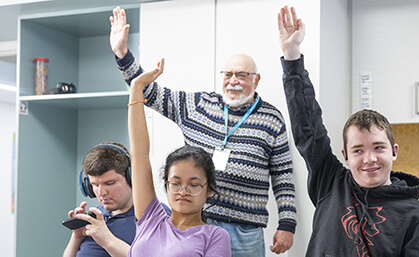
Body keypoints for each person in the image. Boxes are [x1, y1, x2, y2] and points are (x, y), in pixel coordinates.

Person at [108, 7, 296, 255]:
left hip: (245, 229)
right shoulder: (198, 105)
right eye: (228, 74)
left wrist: (287, 223)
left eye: (241, 75)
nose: (233, 80)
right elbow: (149, 93)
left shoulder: (271, 118)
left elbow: (283, 176)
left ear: (256, 79)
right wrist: (122, 53)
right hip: (195, 218)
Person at [277, 6, 419, 256]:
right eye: (358, 150)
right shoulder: (330, 183)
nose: (369, 159)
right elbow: (307, 127)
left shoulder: (417, 216)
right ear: (346, 155)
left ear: (394, 151)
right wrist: (292, 57)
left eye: (378, 147)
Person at [126, 58, 231, 256]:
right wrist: (137, 86)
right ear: (166, 185)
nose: (183, 191)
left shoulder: (215, 236)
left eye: (193, 184)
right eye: (175, 183)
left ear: (209, 190)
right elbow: (139, 153)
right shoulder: (151, 219)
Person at [63, 143, 136, 257]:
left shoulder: (153, 215)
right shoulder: (95, 216)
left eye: (109, 183)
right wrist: (77, 236)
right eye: (95, 185)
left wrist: (107, 239)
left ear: (131, 178)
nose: (101, 193)